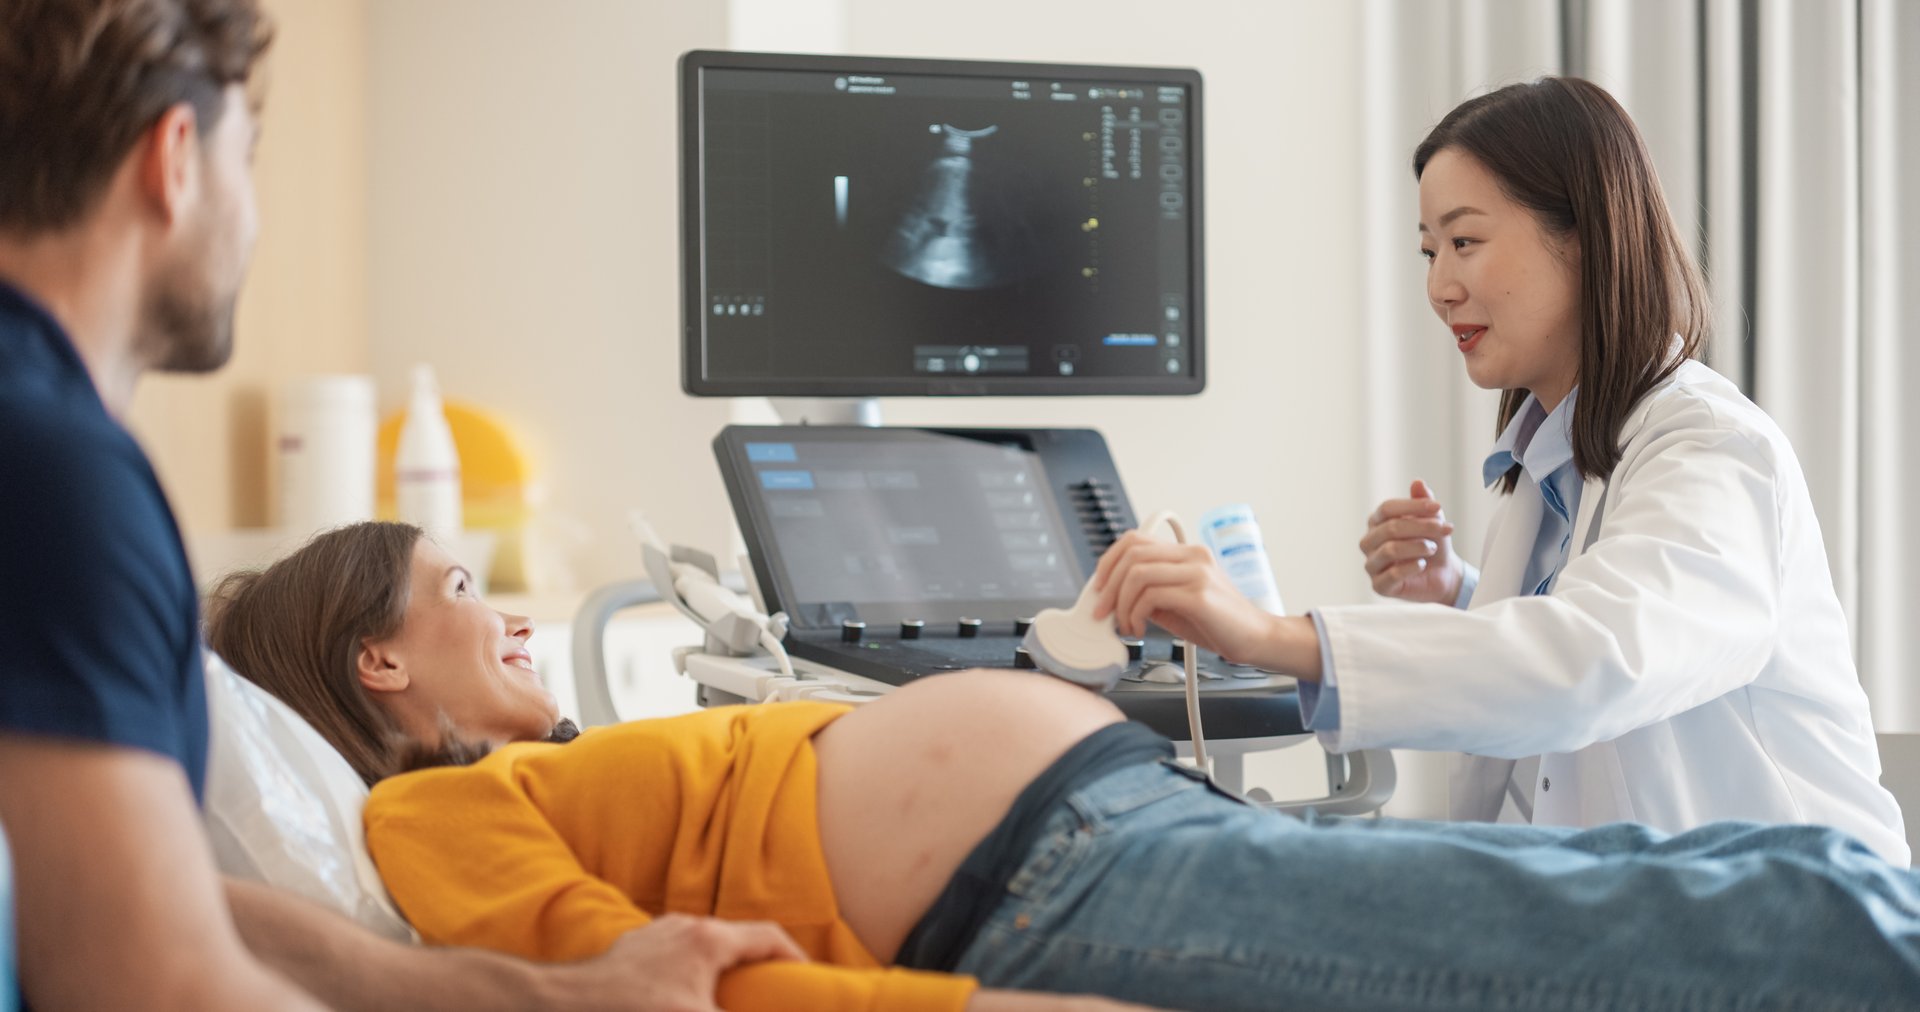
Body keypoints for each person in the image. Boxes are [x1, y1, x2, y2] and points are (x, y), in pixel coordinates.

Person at [206, 519, 1920, 1011]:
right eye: (457, 592)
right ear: (373, 663)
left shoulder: (580, 756)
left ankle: (1872, 906)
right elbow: (666, 983)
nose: (505, 607)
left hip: (1096, 820)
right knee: (1562, 936)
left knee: (1595, 889)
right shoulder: (425, 810)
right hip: (1033, 879)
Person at [0, 1, 807, 1009]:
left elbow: (150, 900)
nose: (252, 218)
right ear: (175, 159)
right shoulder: (58, 476)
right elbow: (143, 973)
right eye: (248, 159)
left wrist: (547, 995)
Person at [1093, 76, 1907, 862]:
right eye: (1428, 251)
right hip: (1626, 913)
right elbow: (1583, 621)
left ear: (1586, 236)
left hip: (1787, 935)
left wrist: (1272, 636)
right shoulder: (1548, 458)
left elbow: (1597, 659)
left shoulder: (1713, 448)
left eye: (1466, 241)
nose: (1440, 286)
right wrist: (1460, 591)